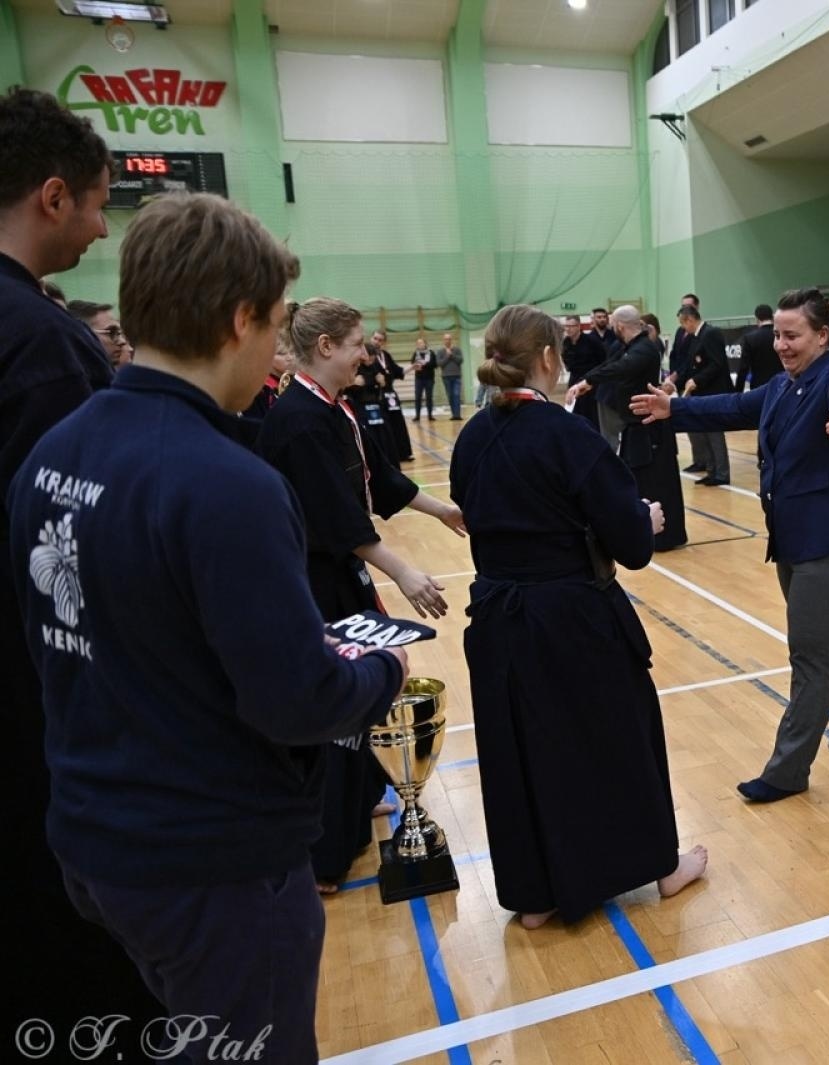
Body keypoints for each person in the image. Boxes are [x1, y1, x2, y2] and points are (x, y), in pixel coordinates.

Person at [9, 191, 410, 1063]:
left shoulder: (53, 452)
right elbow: (296, 700)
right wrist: (377, 674)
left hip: (92, 836)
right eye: (272, 326)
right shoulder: (225, 481)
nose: (273, 348)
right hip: (210, 860)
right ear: (239, 321)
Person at [0, 82, 165, 1048]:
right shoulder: (43, 347)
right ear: (53, 197)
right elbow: (73, 563)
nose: (104, 231)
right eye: (100, 204)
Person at [452, 304, 706, 927]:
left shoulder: (474, 437)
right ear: (546, 359)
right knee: (617, 736)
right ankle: (660, 866)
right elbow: (632, 546)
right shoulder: (566, 435)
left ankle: (536, 893)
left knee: (521, 749)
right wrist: (642, 519)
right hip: (572, 618)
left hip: (499, 620)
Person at [631, 288, 829, 802]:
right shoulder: (782, 386)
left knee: (811, 653)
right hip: (799, 539)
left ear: (822, 336)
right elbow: (732, 405)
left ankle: (788, 771)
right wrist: (673, 408)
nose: (782, 344)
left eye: (792, 335)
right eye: (777, 334)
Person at [258, 296, 466, 892]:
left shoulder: (336, 410)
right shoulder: (297, 420)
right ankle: (327, 852)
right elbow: (334, 519)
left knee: (357, 702)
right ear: (325, 347)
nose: (366, 355)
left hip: (340, 572)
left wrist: (442, 511)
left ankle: (355, 804)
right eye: (357, 345)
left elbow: (380, 480)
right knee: (337, 702)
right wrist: (402, 572)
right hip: (313, 580)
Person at [567, 305, 687, 551]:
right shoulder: (628, 347)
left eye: (613, 325)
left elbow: (619, 369)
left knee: (657, 482)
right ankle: (647, 531)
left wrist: (588, 381)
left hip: (649, 426)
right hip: (635, 426)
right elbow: (609, 365)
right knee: (638, 480)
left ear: (619, 326)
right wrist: (585, 382)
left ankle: (666, 536)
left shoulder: (645, 349)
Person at [676, 304, 732, 486]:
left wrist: (697, 380)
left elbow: (717, 364)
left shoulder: (710, 333)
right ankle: (711, 470)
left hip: (713, 392)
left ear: (690, 320)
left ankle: (721, 473)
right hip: (701, 393)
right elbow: (692, 364)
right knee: (704, 432)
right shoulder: (696, 337)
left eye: (683, 324)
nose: (683, 328)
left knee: (714, 434)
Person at [371, 330, 414, 462]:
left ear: (384, 342)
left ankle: (403, 453)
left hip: (390, 394)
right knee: (385, 425)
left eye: (380, 340)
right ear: (371, 338)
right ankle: (388, 455)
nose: (377, 342)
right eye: (375, 338)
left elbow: (397, 370)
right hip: (377, 394)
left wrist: (412, 367)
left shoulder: (386, 355)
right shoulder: (367, 356)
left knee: (398, 422)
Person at [561, 314, 607, 428]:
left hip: (590, 379)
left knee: (590, 410)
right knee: (573, 408)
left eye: (571, 326)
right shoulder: (565, 342)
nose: (568, 329)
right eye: (566, 326)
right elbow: (565, 358)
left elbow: (603, 359)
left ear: (578, 326)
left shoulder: (591, 341)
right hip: (574, 377)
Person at [742, 303, 780, 389]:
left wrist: (738, 389)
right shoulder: (781, 335)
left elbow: (744, 368)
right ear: (772, 316)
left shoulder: (749, 338)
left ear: (757, 318)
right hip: (782, 384)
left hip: (759, 386)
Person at [437, 331, 465, 419]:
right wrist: (447, 356)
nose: (447, 341)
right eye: (446, 339)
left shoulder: (457, 350)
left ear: (451, 340)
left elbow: (460, 361)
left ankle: (457, 415)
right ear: (443, 340)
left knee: (457, 395)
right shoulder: (440, 351)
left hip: (456, 376)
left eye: (449, 339)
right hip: (446, 376)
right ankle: (454, 414)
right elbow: (440, 363)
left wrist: (451, 355)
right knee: (450, 396)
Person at [411, 335, 436, 421]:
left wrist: (425, 364)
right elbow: (412, 363)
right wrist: (417, 365)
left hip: (429, 378)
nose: (419, 344)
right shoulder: (416, 353)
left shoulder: (431, 353)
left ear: (425, 344)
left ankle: (430, 415)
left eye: (421, 342)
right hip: (419, 379)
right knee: (418, 397)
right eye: (418, 343)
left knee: (429, 397)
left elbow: (435, 364)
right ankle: (417, 415)